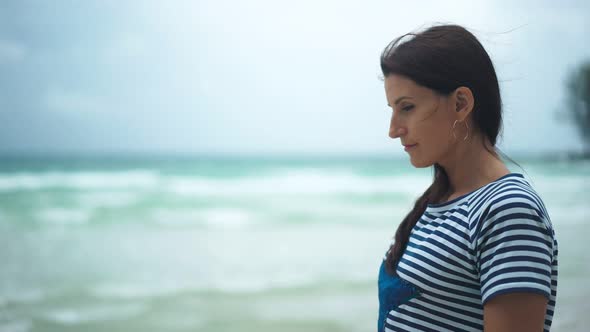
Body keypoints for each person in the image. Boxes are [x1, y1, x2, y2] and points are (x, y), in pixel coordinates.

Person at [377, 24, 558, 332]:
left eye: (407, 107)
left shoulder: (508, 209)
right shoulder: (440, 202)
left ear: (461, 103)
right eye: (393, 110)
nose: (394, 129)